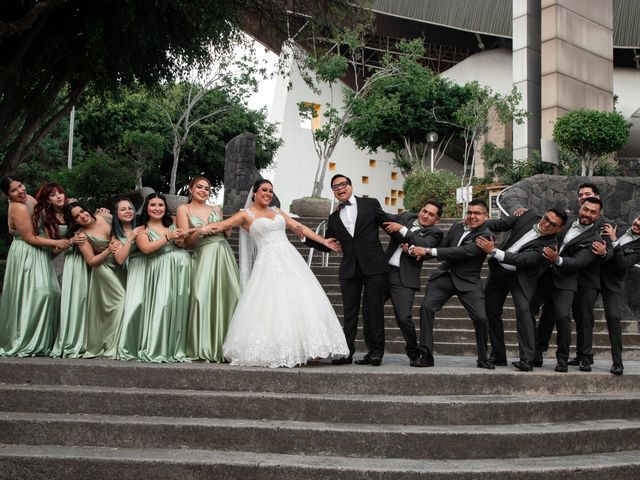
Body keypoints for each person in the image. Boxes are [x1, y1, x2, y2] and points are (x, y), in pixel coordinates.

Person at [211, 179, 349, 368]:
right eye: (264, 190)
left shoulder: (276, 211)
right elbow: (221, 225)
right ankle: (278, 348)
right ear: (254, 193)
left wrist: (324, 241)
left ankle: (308, 347)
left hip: (290, 258)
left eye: (270, 190)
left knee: (300, 300)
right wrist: (194, 230)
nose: (268, 193)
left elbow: (298, 227)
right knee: (271, 303)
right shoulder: (245, 215)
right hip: (267, 262)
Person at [304, 174, 391, 366]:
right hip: (349, 270)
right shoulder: (333, 217)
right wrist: (305, 238)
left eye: (343, 184)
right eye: (335, 187)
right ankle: (346, 352)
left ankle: (375, 353)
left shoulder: (370, 204)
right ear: (333, 192)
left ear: (351, 186)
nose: (340, 188)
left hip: (374, 266)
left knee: (374, 311)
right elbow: (328, 244)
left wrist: (407, 239)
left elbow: (388, 224)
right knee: (349, 312)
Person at [477, 208, 567, 371]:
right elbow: (501, 224)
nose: (546, 224)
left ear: (559, 229)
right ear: (544, 213)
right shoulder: (529, 214)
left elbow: (522, 260)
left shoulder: (548, 246)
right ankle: (498, 355)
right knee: (491, 310)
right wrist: (477, 222)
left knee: (524, 312)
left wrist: (493, 250)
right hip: (498, 272)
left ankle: (527, 359)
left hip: (521, 277)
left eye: (552, 224)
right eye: (546, 218)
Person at [416, 198, 495, 369]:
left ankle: (483, 358)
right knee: (426, 308)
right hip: (445, 276)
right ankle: (426, 355)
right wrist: (420, 252)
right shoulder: (457, 226)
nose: (472, 216)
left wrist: (429, 250)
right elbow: (444, 247)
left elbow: (463, 251)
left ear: (486, 216)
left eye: (477, 213)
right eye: (470, 212)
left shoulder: (486, 236)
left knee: (481, 318)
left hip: (468, 282)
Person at [533, 197, 606, 372]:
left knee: (563, 317)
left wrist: (556, 259)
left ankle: (562, 359)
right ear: (580, 207)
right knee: (536, 314)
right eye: (586, 209)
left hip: (566, 280)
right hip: (545, 275)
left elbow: (578, 262)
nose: (587, 214)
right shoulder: (566, 220)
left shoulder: (594, 239)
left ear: (598, 215)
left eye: (593, 212)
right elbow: (547, 219)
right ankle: (535, 353)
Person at [0, 176, 69, 357]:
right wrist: (57, 242)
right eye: (14, 190)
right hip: (27, 252)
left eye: (20, 186)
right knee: (40, 293)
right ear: (8, 195)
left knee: (53, 292)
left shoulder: (29, 198)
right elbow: (30, 238)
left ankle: (44, 341)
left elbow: (45, 219)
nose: (20, 191)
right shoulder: (18, 208)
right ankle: (27, 340)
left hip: (39, 251)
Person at [176, 175, 240, 362]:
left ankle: (229, 347)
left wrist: (228, 230)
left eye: (207, 188)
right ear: (191, 189)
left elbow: (227, 234)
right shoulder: (183, 209)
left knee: (232, 295)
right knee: (200, 297)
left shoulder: (216, 209)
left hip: (223, 254)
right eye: (199, 187)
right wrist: (199, 232)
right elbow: (184, 243)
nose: (203, 191)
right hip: (203, 255)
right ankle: (202, 345)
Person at [381, 200, 444, 366]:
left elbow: (423, 245)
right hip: (383, 272)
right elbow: (384, 217)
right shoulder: (406, 216)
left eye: (431, 214)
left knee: (403, 318)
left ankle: (413, 350)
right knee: (370, 310)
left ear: (437, 219)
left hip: (404, 278)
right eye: (424, 211)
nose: (425, 215)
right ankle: (374, 353)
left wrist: (401, 229)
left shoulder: (435, 232)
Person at [34, 184, 90, 358]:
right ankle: (59, 339)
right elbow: (52, 249)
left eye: (60, 192)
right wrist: (68, 241)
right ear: (47, 199)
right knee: (61, 299)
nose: (58, 196)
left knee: (81, 299)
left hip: (81, 258)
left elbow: (89, 221)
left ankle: (81, 339)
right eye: (52, 195)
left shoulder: (73, 209)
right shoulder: (46, 217)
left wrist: (103, 213)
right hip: (60, 259)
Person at [135, 193, 191, 363]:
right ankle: (158, 347)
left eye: (161, 205)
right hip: (161, 271)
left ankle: (177, 347)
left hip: (181, 270)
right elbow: (145, 249)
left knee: (180, 307)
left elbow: (185, 242)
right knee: (163, 305)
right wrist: (167, 238)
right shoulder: (142, 230)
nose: (157, 208)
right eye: (153, 205)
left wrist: (181, 241)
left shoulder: (172, 224)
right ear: (146, 208)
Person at [67, 202, 126, 359]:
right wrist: (108, 250)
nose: (82, 216)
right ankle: (111, 345)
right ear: (74, 221)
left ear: (88, 209)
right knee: (121, 301)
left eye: (82, 211)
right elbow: (91, 261)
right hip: (103, 268)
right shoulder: (81, 236)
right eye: (77, 217)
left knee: (127, 302)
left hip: (121, 265)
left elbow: (121, 228)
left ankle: (123, 343)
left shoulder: (105, 216)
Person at [597, 214, 640, 375]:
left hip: (613, 281)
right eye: (639, 219)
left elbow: (622, 265)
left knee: (613, 316)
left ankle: (617, 362)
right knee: (583, 313)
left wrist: (615, 241)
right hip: (592, 275)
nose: (638, 224)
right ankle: (583, 356)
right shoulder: (618, 225)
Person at [109, 196, 146, 361]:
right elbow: (119, 259)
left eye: (130, 208)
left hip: (149, 267)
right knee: (135, 306)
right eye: (123, 209)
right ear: (116, 214)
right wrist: (130, 239)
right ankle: (131, 345)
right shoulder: (115, 235)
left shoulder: (143, 225)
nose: (127, 211)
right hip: (131, 272)